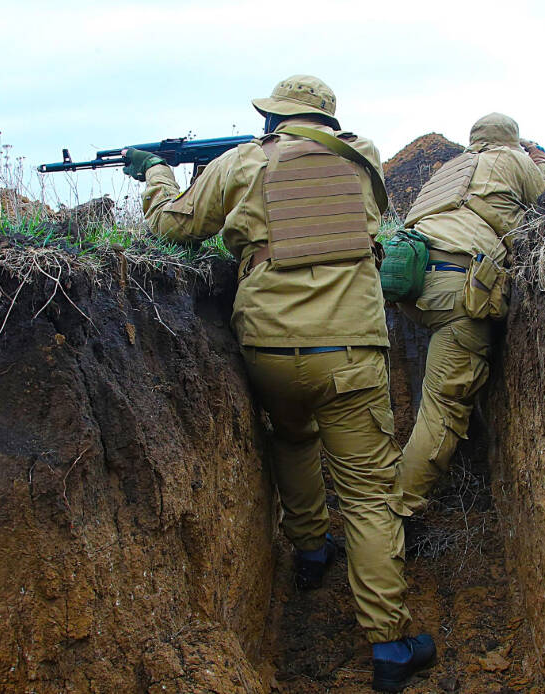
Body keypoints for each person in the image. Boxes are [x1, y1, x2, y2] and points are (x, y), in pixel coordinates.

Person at [119, 75, 434, 692]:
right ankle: (391, 647)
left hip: (266, 346)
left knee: (293, 441)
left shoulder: (242, 162)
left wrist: (160, 174)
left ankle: (311, 554)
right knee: (369, 496)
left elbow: (171, 228)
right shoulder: (363, 158)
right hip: (349, 349)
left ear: (274, 117)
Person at [393, 113, 545, 522]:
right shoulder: (514, 160)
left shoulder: (451, 170)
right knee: (442, 408)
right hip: (459, 290)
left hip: (409, 282)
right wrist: (541, 162)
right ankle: (396, 516)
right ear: (512, 140)